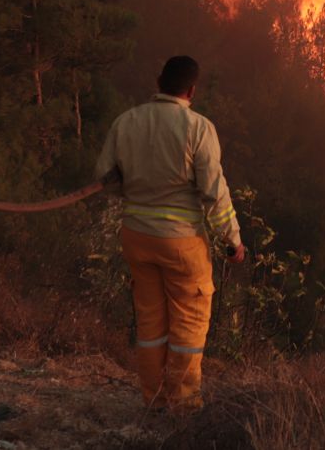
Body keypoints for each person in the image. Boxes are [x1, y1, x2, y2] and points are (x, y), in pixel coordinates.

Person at [95, 56, 245, 410]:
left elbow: (104, 178)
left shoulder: (126, 122)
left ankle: (154, 401)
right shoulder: (198, 128)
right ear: (191, 90)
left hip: (136, 237)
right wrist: (233, 239)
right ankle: (184, 407)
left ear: (158, 80)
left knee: (150, 324)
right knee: (189, 327)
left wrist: (136, 198)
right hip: (181, 243)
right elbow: (213, 192)